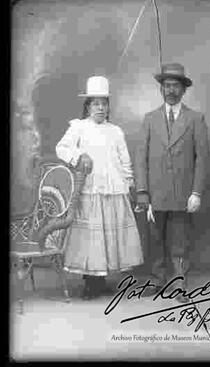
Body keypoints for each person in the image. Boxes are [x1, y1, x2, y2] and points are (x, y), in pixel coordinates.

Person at [56, 75, 143, 299]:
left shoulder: (116, 131)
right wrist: (79, 156)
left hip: (113, 191)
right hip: (90, 191)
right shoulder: (78, 128)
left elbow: (124, 162)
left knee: (107, 237)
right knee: (91, 239)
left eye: (104, 104)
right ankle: (90, 283)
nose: (100, 108)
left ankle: (100, 280)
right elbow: (62, 148)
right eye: (96, 103)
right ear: (88, 106)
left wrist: (130, 184)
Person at [134, 63, 209, 301]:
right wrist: (143, 193)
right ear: (161, 89)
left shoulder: (196, 119)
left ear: (183, 89)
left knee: (179, 242)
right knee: (155, 240)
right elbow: (140, 159)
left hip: (182, 194)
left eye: (175, 86)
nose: (171, 90)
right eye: (166, 86)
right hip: (155, 194)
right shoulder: (149, 119)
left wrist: (196, 192)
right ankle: (157, 281)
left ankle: (179, 284)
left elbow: (203, 159)